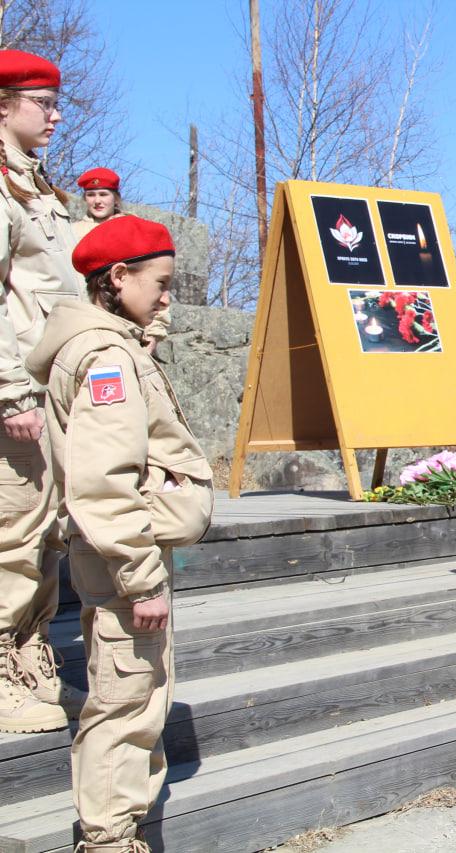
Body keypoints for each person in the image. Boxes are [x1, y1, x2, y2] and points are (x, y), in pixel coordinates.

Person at [26, 215, 214, 852]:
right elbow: (105, 482)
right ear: (117, 277)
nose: (167, 297)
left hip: (122, 555)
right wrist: (140, 578)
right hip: (121, 562)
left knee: (137, 692)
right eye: (159, 283)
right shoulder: (106, 357)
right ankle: (107, 839)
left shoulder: (115, 346)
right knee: (124, 699)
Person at [0, 49, 87, 734]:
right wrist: (9, 391)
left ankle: (33, 660)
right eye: (41, 100)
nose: (56, 113)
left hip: (51, 390)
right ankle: (3, 675)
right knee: (13, 533)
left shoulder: (36, 187)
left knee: (44, 536)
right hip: (17, 394)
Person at [73, 167, 169, 349]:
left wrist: (154, 331)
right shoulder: (72, 232)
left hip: (128, 326)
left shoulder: (135, 231)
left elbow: (154, 281)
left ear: (115, 198)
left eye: (103, 194)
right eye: (91, 195)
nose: (98, 201)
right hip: (85, 322)